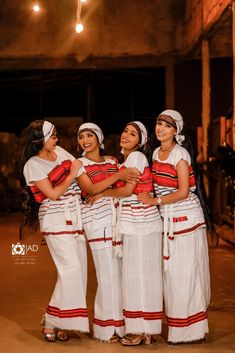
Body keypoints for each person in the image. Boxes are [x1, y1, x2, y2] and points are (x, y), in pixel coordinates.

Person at [138, 110, 211, 344]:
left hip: (185, 218)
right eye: (159, 123)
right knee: (170, 275)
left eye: (167, 126)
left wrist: (154, 201)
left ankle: (189, 331)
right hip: (167, 219)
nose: (160, 128)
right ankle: (177, 327)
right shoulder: (156, 152)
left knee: (184, 274)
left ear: (175, 130)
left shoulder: (179, 154)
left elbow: (182, 191)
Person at [87, 121, 163, 346]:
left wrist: (103, 195)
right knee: (139, 276)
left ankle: (140, 330)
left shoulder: (137, 158)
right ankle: (146, 330)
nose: (126, 135)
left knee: (138, 277)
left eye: (133, 134)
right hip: (136, 224)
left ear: (141, 141)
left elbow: (129, 190)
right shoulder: (126, 160)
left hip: (141, 224)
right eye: (125, 131)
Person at [19, 120, 89, 342]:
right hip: (55, 218)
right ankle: (51, 319)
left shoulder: (59, 152)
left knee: (78, 271)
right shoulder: (32, 164)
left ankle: (63, 322)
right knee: (71, 270)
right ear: (40, 139)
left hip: (75, 216)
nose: (56, 140)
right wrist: (72, 174)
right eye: (52, 136)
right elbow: (53, 193)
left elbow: (80, 166)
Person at [76, 122, 139, 343]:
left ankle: (120, 327)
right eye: (81, 136)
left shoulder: (113, 160)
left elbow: (124, 189)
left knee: (120, 275)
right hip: (96, 222)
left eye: (90, 135)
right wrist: (117, 177)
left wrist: (109, 190)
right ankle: (106, 329)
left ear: (99, 138)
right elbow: (91, 189)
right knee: (107, 276)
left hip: (118, 221)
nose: (85, 140)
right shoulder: (79, 164)